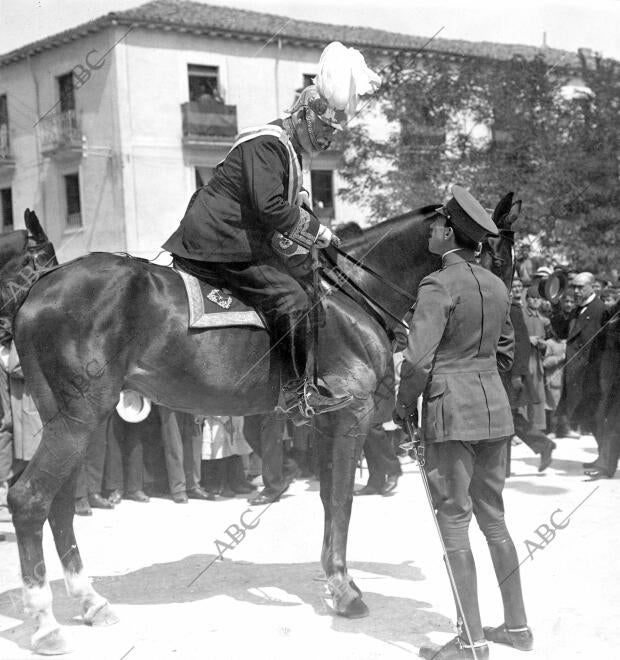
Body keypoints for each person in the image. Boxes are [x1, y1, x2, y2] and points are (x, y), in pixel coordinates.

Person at [162, 44, 379, 420]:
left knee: (309, 282)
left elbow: (291, 200)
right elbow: (269, 207)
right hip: (220, 239)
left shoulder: (289, 150)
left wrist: (314, 227)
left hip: (238, 237)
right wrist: (318, 233)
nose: (326, 142)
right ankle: (297, 394)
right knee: (293, 299)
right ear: (303, 118)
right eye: (324, 131)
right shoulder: (268, 144)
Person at [394, 186, 532, 659]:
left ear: (450, 231)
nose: (431, 230)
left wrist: (401, 405)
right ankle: (518, 629)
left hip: (451, 413)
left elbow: (415, 363)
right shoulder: (496, 285)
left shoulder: (436, 286)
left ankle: (471, 644)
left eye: (436, 224)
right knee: (494, 519)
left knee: (453, 522)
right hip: (494, 411)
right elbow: (508, 354)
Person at [503, 278, 555, 472]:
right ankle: (544, 446)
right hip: (503, 374)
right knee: (511, 419)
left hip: (510, 376)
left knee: (507, 418)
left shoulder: (513, 310)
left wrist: (517, 375)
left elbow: (522, 344)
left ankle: (504, 467)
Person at [551, 272, 605, 445]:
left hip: (593, 375)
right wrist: (555, 307)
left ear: (592, 287)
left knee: (597, 417)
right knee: (590, 418)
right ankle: (603, 459)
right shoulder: (577, 310)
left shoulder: (600, 310)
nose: (575, 291)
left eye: (580, 287)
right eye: (573, 287)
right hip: (579, 374)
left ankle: (606, 461)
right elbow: (562, 332)